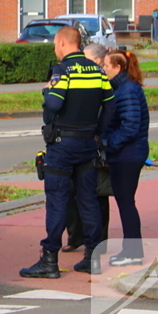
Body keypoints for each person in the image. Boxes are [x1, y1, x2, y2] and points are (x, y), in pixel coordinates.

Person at [20, 26, 114, 279]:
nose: (54, 47)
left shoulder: (62, 71)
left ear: (62, 43)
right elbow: (109, 105)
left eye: (55, 43)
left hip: (62, 146)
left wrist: (47, 89)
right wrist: (98, 134)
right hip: (88, 144)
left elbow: (54, 103)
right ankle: (92, 258)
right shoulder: (97, 70)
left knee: (57, 200)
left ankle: (49, 260)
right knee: (88, 201)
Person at [101, 49, 150, 267]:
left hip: (127, 155)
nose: (103, 69)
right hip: (128, 154)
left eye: (106, 65)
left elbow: (130, 126)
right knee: (125, 202)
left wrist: (109, 144)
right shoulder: (123, 88)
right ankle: (130, 250)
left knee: (126, 202)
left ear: (117, 67)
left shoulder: (127, 90)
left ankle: (132, 251)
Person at [62, 43, 111, 253]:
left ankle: (99, 241)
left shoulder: (103, 83)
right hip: (79, 141)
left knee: (98, 194)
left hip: (96, 144)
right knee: (71, 191)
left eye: (88, 59)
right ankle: (76, 235)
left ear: (99, 62)